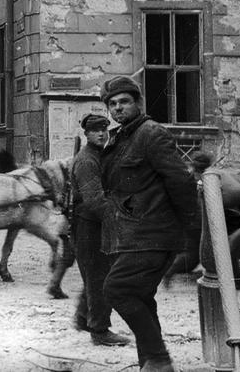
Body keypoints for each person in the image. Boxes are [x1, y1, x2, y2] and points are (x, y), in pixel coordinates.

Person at [99, 76, 198, 372]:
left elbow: (181, 181)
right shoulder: (121, 138)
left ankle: (158, 359)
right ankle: (150, 361)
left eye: (124, 102)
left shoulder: (151, 133)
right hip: (133, 233)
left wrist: (190, 231)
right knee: (141, 295)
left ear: (137, 103)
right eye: (112, 104)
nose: (118, 108)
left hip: (154, 233)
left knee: (117, 290)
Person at [165, 149, 240, 280]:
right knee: (193, 253)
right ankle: (170, 272)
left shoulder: (200, 176)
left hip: (196, 217)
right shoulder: (213, 176)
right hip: (200, 218)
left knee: (193, 253)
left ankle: (170, 270)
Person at [70, 114, 131, 347]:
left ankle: (84, 318)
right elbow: (95, 201)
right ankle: (100, 331)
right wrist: (120, 219)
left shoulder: (96, 155)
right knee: (100, 279)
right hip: (89, 225)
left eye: (104, 130)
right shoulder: (87, 160)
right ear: (86, 134)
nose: (102, 134)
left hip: (91, 223)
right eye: (96, 131)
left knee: (95, 276)